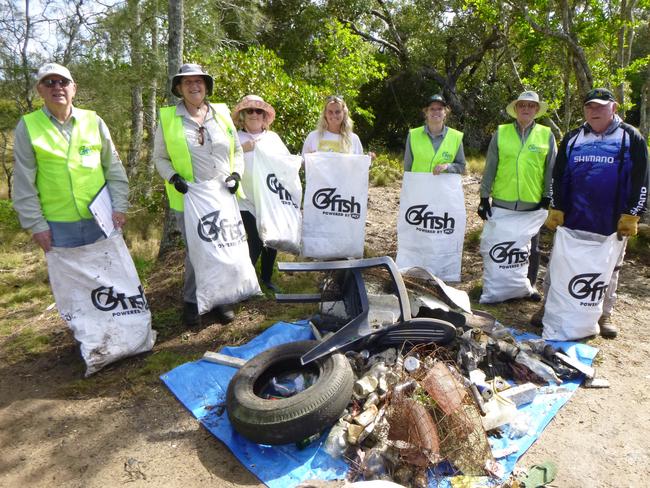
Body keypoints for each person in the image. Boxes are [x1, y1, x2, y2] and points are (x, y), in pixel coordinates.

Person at [544, 87, 649, 338]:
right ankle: (548, 307)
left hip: (612, 220)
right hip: (573, 218)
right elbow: (558, 177)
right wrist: (556, 207)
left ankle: (604, 314)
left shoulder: (631, 138)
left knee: (610, 268)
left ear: (614, 107)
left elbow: (641, 179)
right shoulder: (572, 138)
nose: (595, 111)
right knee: (558, 264)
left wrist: (633, 213)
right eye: (590, 106)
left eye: (601, 106)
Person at [153, 63, 244, 327]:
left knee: (223, 246)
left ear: (206, 85)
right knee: (197, 250)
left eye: (199, 81)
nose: (194, 86)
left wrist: (236, 174)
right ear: (179, 88)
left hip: (222, 196)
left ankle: (221, 298)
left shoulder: (222, 114)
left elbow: (237, 150)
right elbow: (160, 157)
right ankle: (192, 300)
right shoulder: (169, 119)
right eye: (187, 82)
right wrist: (173, 177)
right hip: (190, 198)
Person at [13, 62, 129, 251]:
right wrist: (36, 225)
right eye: (49, 82)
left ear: (73, 88)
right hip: (58, 226)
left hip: (102, 220)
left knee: (109, 278)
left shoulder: (94, 121)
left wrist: (119, 206)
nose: (57, 87)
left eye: (63, 82)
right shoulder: (27, 126)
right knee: (70, 280)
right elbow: (23, 182)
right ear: (40, 90)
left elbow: (114, 168)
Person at [478, 91, 557, 299]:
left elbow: (551, 170)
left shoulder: (546, 134)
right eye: (522, 105)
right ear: (516, 109)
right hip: (503, 202)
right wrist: (484, 197)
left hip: (532, 203)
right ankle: (496, 285)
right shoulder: (501, 132)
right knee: (499, 244)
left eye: (531, 106)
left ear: (537, 110)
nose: (526, 109)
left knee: (531, 247)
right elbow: (490, 167)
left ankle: (528, 287)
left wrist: (547, 196)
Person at [231, 94, 289, 292]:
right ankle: (244, 282)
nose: (254, 114)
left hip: (269, 198)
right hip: (244, 199)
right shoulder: (235, 138)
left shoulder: (273, 139)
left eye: (258, 111)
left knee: (270, 239)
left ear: (264, 116)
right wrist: (241, 149)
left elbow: (285, 163)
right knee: (254, 240)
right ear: (243, 116)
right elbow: (222, 161)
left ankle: (266, 279)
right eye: (249, 111)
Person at [403, 94, 465, 174]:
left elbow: (462, 167)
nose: (436, 112)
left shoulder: (456, 136)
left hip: (444, 186)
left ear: (445, 112)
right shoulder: (413, 135)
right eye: (432, 109)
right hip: (418, 185)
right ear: (426, 112)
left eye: (440, 109)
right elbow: (407, 167)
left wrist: (447, 166)